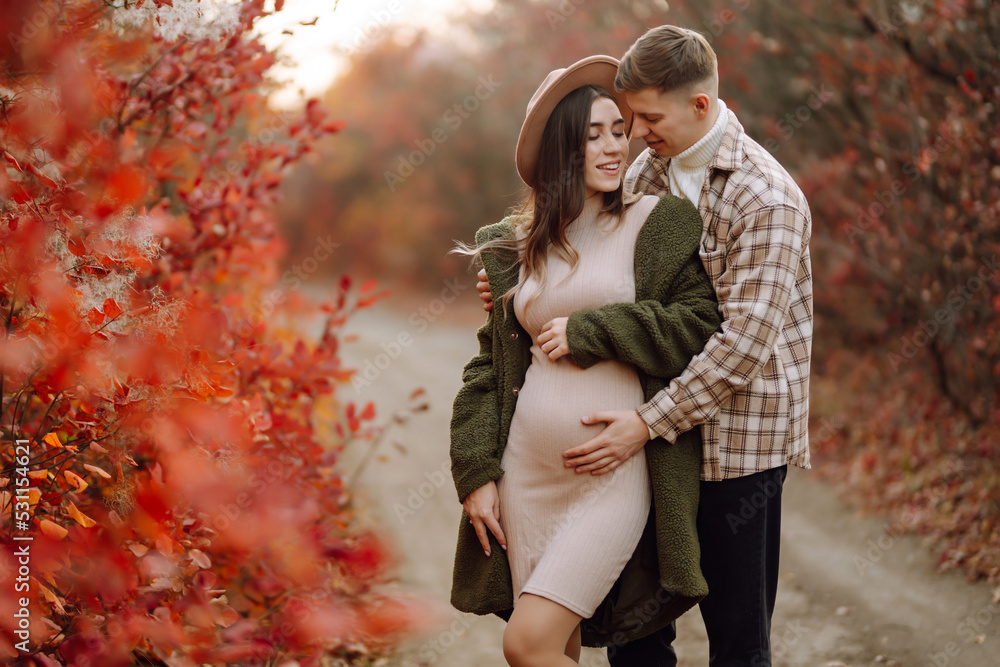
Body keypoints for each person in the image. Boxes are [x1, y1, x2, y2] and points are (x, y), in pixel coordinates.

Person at [477, 26, 814, 667]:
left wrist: (645, 424)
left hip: (734, 447)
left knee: (738, 643)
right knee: (634, 640)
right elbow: (591, 254)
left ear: (700, 105)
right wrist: (517, 288)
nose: (635, 132)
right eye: (630, 119)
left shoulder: (766, 198)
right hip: (649, 447)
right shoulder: (647, 170)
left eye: (648, 118)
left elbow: (742, 346)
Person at [449, 55, 722, 666]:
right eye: (591, 136)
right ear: (558, 153)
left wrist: (595, 330)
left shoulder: (659, 222)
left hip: (612, 474)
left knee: (526, 644)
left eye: (617, 132)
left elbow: (698, 326)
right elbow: (487, 370)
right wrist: (476, 474)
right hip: (527, 475)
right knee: (556, 649)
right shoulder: (517, 247)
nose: (611, 148)